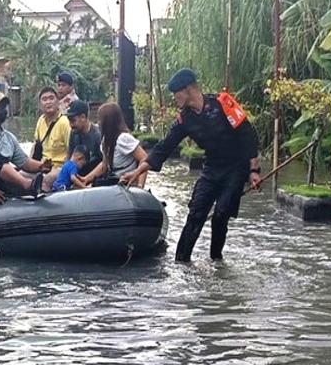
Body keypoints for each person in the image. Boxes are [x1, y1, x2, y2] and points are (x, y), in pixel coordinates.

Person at [139, 68, 261, 262]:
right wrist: (139, 169)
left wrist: (254, 170)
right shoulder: (185, 119)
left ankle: (217, 262)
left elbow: (247, 134)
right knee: (196, 213)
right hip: (212, 169)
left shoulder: (223, 103)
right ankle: (181, 262)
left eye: (176, 93)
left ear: (188, 89)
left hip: (236, 168)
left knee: (221, 215)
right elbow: (165, 147)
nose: (174, 98)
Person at [82, 102, 150, 188]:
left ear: (108, 122)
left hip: (126, 183)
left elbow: (144, 158)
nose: (98, 123)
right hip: (112, 181)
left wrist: (140, 186)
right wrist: (86, 178)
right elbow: (104, 165)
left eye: (100, 120)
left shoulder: (123, 138)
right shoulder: (105, 141)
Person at [33, 86, 71, 166]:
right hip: (43, 166)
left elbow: (71, 151)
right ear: (40, 105)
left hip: (59, 167)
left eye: (51, 98)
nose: (48, 102)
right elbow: (35, 144)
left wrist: (64, 171)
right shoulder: (41, 121)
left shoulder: (65, 123)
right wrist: (29, 164)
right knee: (17, 175)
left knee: (48, 178)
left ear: (58, 102)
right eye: (44, 99)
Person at [65, 100, 104, 173]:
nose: (71, 125)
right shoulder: (74, 133)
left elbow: (105, 163)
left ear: (83, 117)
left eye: (73, 121)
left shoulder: (97, 136)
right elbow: (69, 156)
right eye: (69, 121)